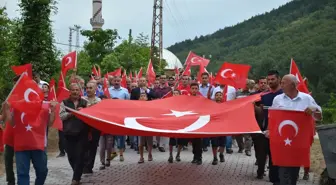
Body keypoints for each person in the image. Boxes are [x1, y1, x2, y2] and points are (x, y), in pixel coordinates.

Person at [267, 74, 321, 185]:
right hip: (281, 141)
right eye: (281, 82)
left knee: (293, 172)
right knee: (282, 171)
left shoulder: (306, 98)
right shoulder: (278, 99)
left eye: (283, 82)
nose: (281, 85)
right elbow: (272, 118)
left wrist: (313, 109)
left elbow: (319, 116)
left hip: (297, 143)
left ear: (293, 85)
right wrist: (269, 130)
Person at [4, 99, 57, 185]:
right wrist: (7, 110)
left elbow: (49, 123)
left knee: (42, 171)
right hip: (22, 145)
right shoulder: (17, 104)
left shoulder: (43, 104)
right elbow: (12, 123)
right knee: (22, 174)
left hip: (38, 144)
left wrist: (53, 110)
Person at [60, 83, 89, 185]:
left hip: (82, 133)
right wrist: (72, 113)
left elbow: (90, 116)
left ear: (79, 91)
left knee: (80, 155)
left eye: (77, 90)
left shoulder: (85, 102)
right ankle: (77, 174)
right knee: (71, 156)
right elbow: (61, 116)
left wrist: (84, 111)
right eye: (73, 90)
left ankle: (75, 179)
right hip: (68, 133)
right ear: (70, 91)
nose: (75, 92)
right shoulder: (64, 103)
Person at [83, 81, 102, 174]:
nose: (88, 90)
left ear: (95, 89)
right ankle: (84, 165)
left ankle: (89, 166)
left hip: (95, 128)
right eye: (87, 88)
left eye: (91, 88)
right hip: (83, 127)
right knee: (84, 147)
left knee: (93, 147)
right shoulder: (82, 100)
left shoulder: (99, 101)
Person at [167, 89, 187, 163]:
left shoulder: (183, 104)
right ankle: (170, 155)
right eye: (174, 93)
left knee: (181, 141)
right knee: (171, 140)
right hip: (172, 124)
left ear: (179, 94)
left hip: (181, 124)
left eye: (177, 93)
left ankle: (178, 154)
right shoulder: (169, 103)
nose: (175, 94)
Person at [209, 91, 226, 165]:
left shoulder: (226, 105)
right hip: (214, 127)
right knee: (214, 143)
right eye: (217, 95)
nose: (218, 96)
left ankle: (221, 154)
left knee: (222, 143)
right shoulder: (211, 105)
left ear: (222, 97)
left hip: (223, 127)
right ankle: (215, 157)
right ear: (214, 97)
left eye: (220, 95)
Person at [98, 95, 114, 170]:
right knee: (101, 147)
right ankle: (102, 162)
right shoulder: (97, 109)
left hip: (109, 131)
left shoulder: (110, 110)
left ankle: (109, 159)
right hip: (100, 132)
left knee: (109, 147)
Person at [137, 93, 154, 163]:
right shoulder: (137, 106)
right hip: (140, 126)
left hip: (149, 126)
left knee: (149, 142)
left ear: (147, 98)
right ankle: (141, 157)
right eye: (141, 96)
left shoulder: (150, 106)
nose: (143, 97)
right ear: (139, 98)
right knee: (141, 143)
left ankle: (150, 154)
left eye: (144, 96)